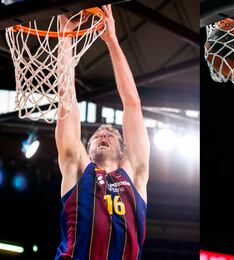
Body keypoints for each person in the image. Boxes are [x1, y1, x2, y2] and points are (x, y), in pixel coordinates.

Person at [54, 5, 149, 259]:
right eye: (96, 135)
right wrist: (65, 35)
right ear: (88, 148)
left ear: (122, 150)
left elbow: (132, 105)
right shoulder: (77, 168)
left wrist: (112, 40)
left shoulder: (135, 175)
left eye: (110, 133)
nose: (103, 134)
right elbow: (67, 100)